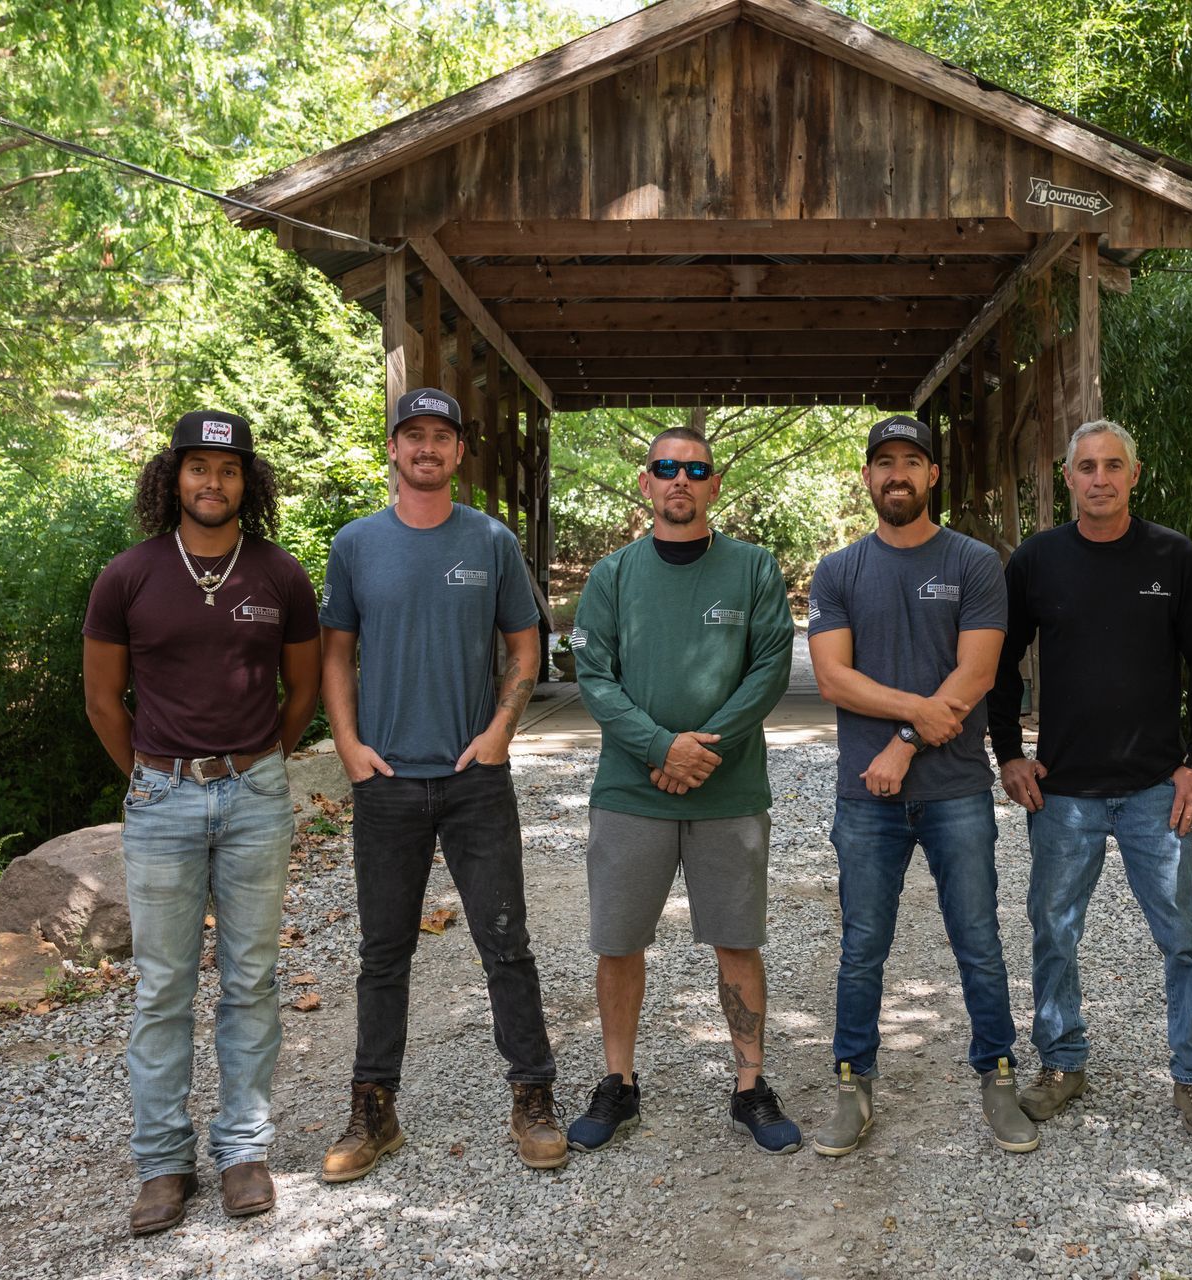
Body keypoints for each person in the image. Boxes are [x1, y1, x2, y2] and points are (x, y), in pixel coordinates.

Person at [317, 387, 565, 1178]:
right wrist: (350, 747)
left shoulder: (491, 542)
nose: (426, 448)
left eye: (441, 437)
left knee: (506, 945)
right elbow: (334, 654)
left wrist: (500, 733)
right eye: (412, 435)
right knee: (383, 953)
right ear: (393, 449)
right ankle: (373, 1110)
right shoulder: (355, 544)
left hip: (473, 781)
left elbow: (526, 648)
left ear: (460, 453)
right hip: (386, 781)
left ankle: (533, 1096)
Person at [83, 410, 320, 1234]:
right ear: (172, 476)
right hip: (161, 801)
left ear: (249, 482)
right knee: (162, 989)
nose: (212, 482)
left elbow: (302, 693)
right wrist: (159, 778)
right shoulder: (128, 576)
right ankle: (162, 1164)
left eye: (228, 469)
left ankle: (244, 1150)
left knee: (251, 979)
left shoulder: (282, 576)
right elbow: (103, 702)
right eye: (197, 467)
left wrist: (255, 767)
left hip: (256, 796)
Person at [987, 420, 1192, 1138]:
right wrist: (1008, 753)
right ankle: (1062, 1061)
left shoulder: (1172, 555)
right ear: (1067, 477)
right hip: (1063, 790)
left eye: (1113, 465)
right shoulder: (1037, 560)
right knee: (1055, 931)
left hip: (1157, 787)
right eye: (1086, 466)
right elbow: (1001, 666)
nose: (1100, 477)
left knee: (1184, 935)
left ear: (1134, 474)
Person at [806, 414, 1038, 1157]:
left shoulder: (973, 563)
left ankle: (998, 1074)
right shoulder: (839, 570)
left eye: (912, 461)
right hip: (862, 795)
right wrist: (917, 712)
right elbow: (833, 677)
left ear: (933, 475)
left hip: (955, 790)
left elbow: (978, 675)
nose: (896, 473)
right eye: (884, 463)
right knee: (862, 943)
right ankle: (852, 1081)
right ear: (867, 477)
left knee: (977, 938)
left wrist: (903, 743)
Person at [565, 427, 799, 1155]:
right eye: (666, 468)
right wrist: (659, 747)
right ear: (646, 483)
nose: (680, 480)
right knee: (618, 942)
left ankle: (750, 1086)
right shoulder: (613, 576)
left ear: (714, 486)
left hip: (727, 793)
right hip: (631, 792)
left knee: (737, 940)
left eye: (696, 470)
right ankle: (618, 1083)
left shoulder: (754, 569)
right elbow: (594, 677)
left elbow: (768, 669)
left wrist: (703, 749)